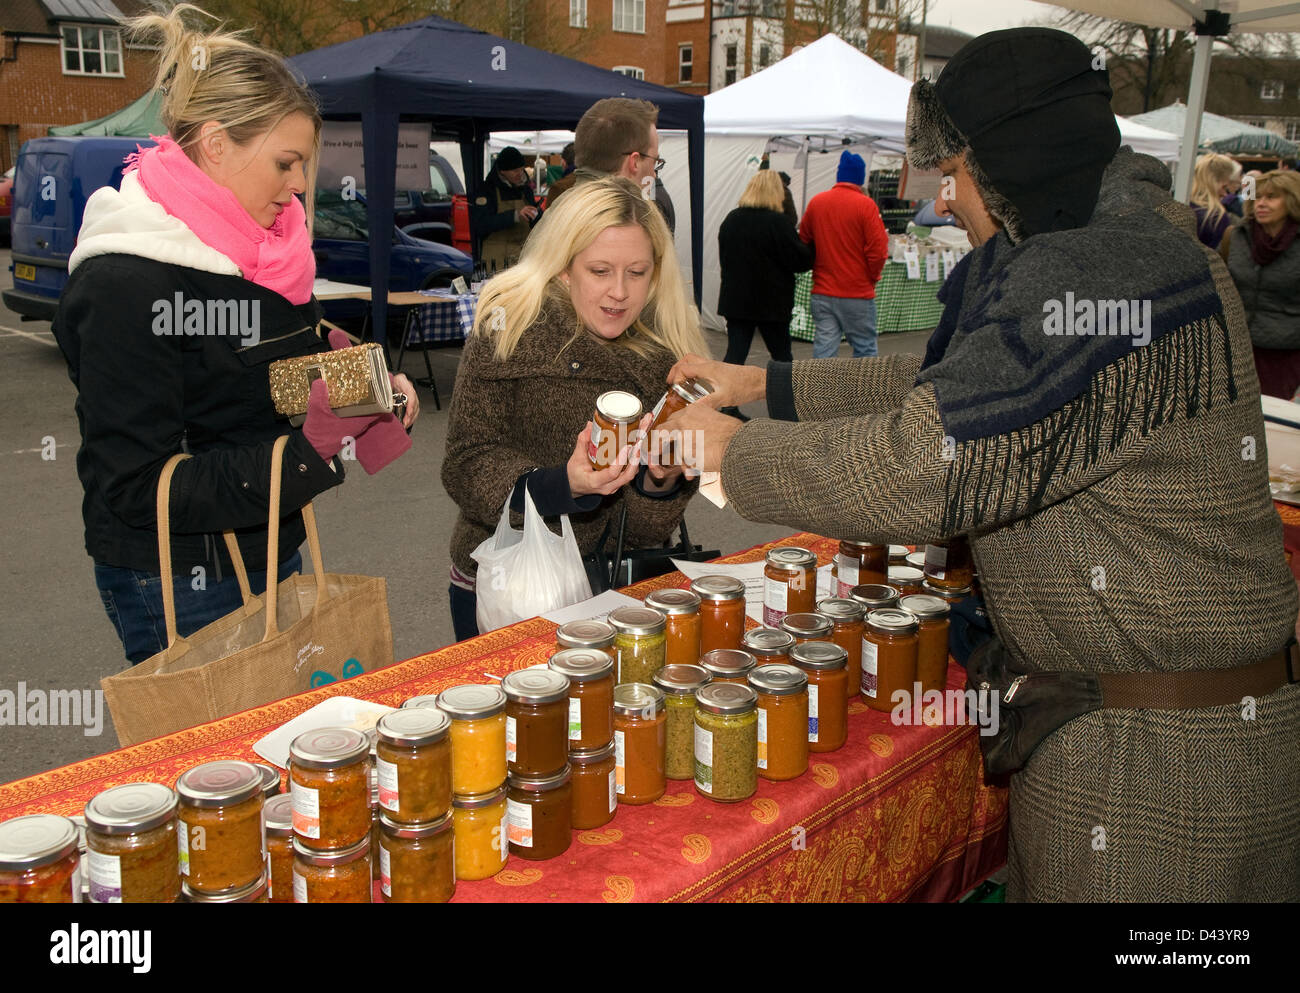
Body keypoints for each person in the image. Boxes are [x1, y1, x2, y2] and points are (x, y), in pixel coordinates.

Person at [659, 28, 1300, 902]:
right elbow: (941, 382)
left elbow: (931, 461)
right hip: (1165, 735)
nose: (945, 199)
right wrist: (761, 384)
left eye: (958, 173)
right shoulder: (1120, 241)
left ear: (1014, 163)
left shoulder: (1106, 276)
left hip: (1155, 778)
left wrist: (737, 452)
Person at [51, 4, 418, 666]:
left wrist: (363, 390)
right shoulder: (124, 282)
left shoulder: (261, 250)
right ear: (216, 144)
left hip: (269, 539)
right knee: (220, 765)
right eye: (286, 162)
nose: (301, 185)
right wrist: (307, 451)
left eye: (305, 163)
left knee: (280, 746)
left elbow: (271, 375)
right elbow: (136, 487)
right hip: (181, 574)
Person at [441, 177, 705, 640]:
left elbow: (644, 529)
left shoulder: (670, 356)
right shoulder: (508, 329)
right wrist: (561, 485)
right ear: (564, 268)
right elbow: (466, 464)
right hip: (510, 580)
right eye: (600, 271)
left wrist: (659, 481)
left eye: (637, 272)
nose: (620, 292)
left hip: (617, 585)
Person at [799, 149, 889, 358]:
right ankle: (864, 391)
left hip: (823, 289)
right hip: (856, 291)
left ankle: (819, 390)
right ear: (860, 177)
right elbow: (878, 250)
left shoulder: (817, 202)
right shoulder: (866, 205)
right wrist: (873, 277)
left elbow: (804, 240)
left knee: (824, 350)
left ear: (839, 175)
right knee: (865, 350)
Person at [717, 170, 813, 365]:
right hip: (772, 303)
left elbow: (725, 258)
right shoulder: (778, 222)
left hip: (737, 300)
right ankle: (783, 395)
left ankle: (724, 394)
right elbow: (799, 261)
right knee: (782, 357)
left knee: (735, 356)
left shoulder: (732, 219)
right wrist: (814, 245)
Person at [543, 98, 673, 233]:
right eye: (654, 161)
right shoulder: (625, 228)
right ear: (634, 162)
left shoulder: (559, 207)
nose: (653, 173)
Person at [1224, 170, 1300, 399]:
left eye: (1272, 197)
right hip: (1236, 347)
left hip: (1285, 354)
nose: (1262, 204)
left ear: (1292, 201)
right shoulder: (1236, 236)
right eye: (1257, 197)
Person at [473, 146, 541, 270]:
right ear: (503, 171)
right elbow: (481, 224)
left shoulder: (526, 189)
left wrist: (537, 215)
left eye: (521, 170)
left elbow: (535, 225)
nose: (520, 175)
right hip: (497, 262)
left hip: (522, 258)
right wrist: (514, 216)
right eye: (515, 171)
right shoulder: (487, 189)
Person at [1188, 152, 1241, 249]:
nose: (1225, 194)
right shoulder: (1216, 217)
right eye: (1224, 187)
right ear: (1213, 182)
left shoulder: (1172, 207)